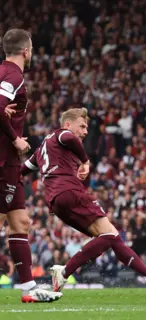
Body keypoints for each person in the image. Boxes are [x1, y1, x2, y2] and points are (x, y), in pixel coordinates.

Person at [20, 108, 146, 292]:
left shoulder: (42, 148)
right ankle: (65, 272)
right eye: (81, 126)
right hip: (70, 192)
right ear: (67, 124)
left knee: (111, 236)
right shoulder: (62, 134)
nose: (85, 131)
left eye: (86, 127)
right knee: (109, 235)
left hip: (56, 202)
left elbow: (23, 169)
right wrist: (85, 161)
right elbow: (69, 138)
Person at [0, 29, 61, 303]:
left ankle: (28, 289)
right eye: (32, 48)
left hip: (9, 163)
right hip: (3, 159)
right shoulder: (13, 75)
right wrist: (15, 139)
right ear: (26, 51)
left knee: (20, 221)